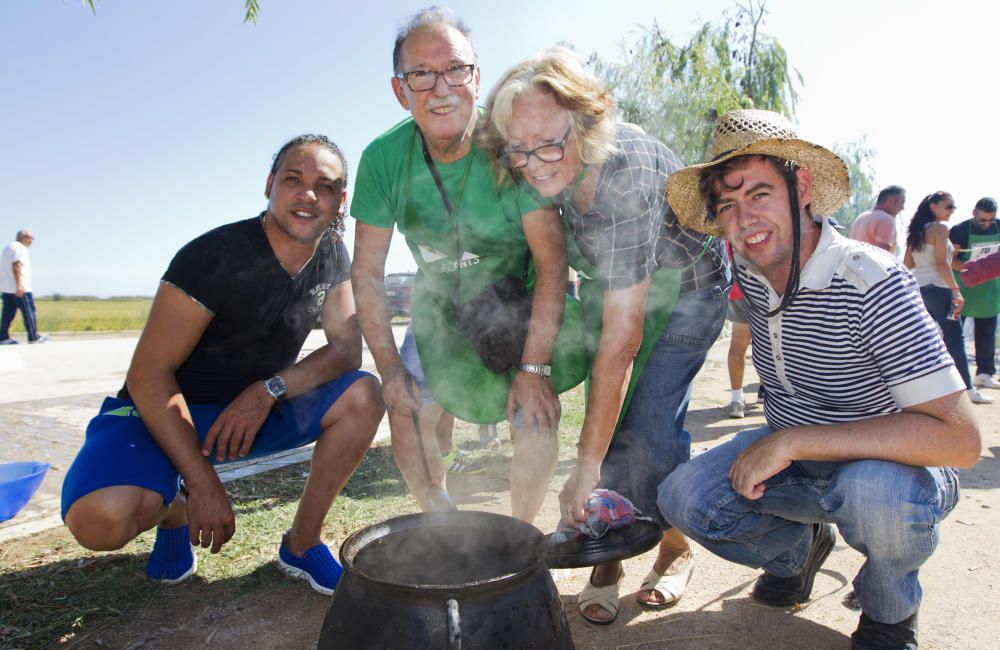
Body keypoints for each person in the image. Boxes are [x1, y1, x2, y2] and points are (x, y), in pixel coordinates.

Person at [660, 109, 981, 650]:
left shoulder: (871, 279)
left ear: (801, 186)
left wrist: (792, 443)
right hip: (803, 463)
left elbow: (960, 441)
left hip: (890, 469)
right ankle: (798, 554)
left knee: (877, 497)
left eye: (760, 194)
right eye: (728, 206)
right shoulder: (756, 274)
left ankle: (889, 608)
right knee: (683, 497)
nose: (745, 219)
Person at [61, 135, 385, 596]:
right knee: (100, 523)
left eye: (325, 186)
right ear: (270, 184)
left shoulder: (331, 254)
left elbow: (345, 351)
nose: (308, 195)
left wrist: (267, 390)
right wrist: (202, 481)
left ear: (340, 202)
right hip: (162, 415)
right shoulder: (213, 255)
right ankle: (174, 513)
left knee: (364, 393)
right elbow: (148, 375)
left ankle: (302, 542)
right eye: (294, 179)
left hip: (247, 414)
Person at [479, 47, 729, 625]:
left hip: (690, 293)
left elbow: (621, 344)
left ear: (587, 124)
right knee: (616, 423)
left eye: (548, 143)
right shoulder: (549, 167)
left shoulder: (626, 173)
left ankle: (672, 548)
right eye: (518, 149)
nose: (534, 163)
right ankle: (612, 554)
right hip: (622, 289)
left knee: (647, 429)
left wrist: (585, 467)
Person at [350, 7, 585, 522]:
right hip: (438, 306)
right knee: (409, 409)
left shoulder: (511, 145)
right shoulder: (382, 160)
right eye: (421, 74)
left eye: (456, 69)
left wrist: (534, 368)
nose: (441, 89)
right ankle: (444, 526)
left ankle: (521, 536)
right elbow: (366, 272)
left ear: (477, 79)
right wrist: (389, 369)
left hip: (518, 296)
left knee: (536, 416)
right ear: (400, 91)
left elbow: (552, 263)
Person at [903, 192, 992, 404]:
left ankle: (919, 391)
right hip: (940, 290)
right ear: (933, 206)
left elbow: (907, 263)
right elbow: (942, 263)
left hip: (920, 290)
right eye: (949, 206)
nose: (952, 210)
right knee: (954, 339)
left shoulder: (916, 230)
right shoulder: (940, 229)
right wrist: (955, 290)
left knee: (922, 341)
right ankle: (967, 389)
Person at [949, 197, 1000, 390]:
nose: (987, 224)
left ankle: (985, 373)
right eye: (982, 220)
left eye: (990, 220)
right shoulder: (959, 230)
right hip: (959, 288)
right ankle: (954, 374)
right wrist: (976, 269)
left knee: (987, 332)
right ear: (974, 213)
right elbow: (949, 260)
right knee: (953, 332)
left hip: (990, 291)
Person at [0, 230, 47, 344]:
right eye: (30, 237)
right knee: (29, 313)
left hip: (7, 289)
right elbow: (16, 266)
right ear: (22, 237)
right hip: (21, 289)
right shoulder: (20, 248)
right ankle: (33, 337)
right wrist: (19, 285)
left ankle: (3, 337)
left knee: (7, 314)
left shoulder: (8, 248)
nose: (31, 241)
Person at [726, 274, 755, 419]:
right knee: (768, 343)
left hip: (740, 287)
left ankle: (736, 400)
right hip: (768, 286)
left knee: (737, 345)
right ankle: (765, 392)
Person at [849, 186, 906, 254]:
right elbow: (882, 256)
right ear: (891, 201)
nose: (903, 208)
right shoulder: (886, 220)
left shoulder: (860, 217)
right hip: (870, 264)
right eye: (902, 203)